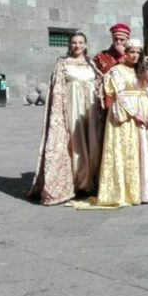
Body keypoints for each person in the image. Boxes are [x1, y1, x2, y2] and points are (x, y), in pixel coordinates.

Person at [87, 38, 148, 207]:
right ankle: (128, 190)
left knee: (144, 150)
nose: (135, 55)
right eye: (132, 52)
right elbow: (120, 94)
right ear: (126, 53)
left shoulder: (145, 72)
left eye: (138, 52)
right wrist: (134, 113)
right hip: (127, 116)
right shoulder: (117, 71)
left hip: (144, 113)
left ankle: (144, 189)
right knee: (128, 151)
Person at [28, 32, 104, 205]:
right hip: (72, 108)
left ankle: (90, 181)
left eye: (80, 42)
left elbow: (99, 84)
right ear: (70, 45)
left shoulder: (91, 64)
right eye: (74, 43)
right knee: (76, 144)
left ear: (85, 45)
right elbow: (56, 91)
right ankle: (76, 183)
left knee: (93, 143)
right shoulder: (62, 64)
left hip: (91, 110)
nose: (77, 45)